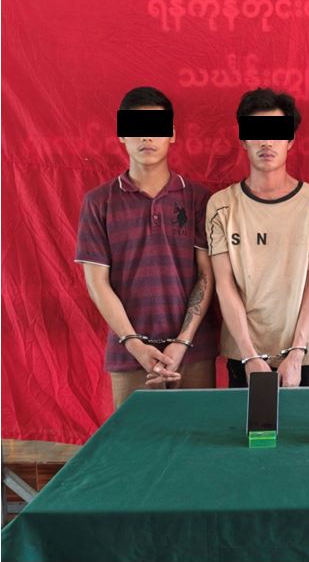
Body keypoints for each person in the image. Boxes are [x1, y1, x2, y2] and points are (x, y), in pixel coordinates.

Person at [75, 86, 217, 408]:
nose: (146, 137)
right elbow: (97, 284)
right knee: (135, 438)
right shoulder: (99, 202)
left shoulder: (199, 199)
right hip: (129, 355)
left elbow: (206, 275)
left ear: (172, 134)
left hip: (193, 352)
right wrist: (135, 345)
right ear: (122, 135)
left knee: (198, 436)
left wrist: (182, 342)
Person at [207, 88, 309, 387]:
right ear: (243, 140)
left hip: (306, 354)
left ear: (290, 141)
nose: (266, 142)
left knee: (307, 420)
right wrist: (249, 355)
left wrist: (297, 353)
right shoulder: (221, 205)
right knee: (248, 421)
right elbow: (224, 285)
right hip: (243, 353)